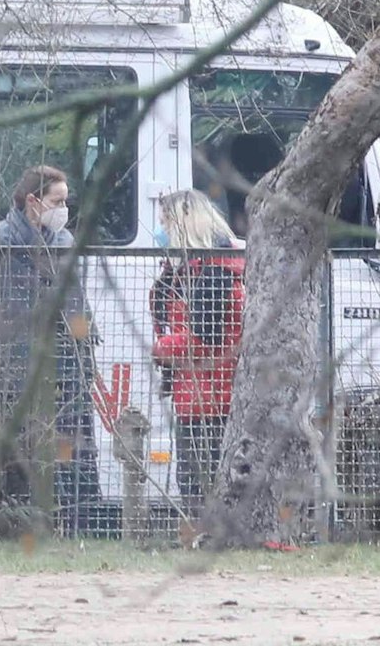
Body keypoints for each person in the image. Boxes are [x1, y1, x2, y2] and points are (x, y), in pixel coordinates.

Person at [0, 164, 102, 531]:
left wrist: (85, 357)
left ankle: (72, 527)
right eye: (58, 201)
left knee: (70, 455)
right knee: (17, 461)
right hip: (13, 376)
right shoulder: (2, 246)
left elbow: (77, 309)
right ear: (34, 201)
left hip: (63, 375)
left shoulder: (64, 247)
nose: (64, 209)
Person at [148, 189, 246, 515]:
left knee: (201, 479)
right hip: (199, 391)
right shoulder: (195, 269)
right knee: (196, 478)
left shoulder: (214, 271)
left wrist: (163, 348)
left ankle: (208, 538)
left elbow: (205, 337)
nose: (161, 231)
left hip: (212, 395)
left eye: (165, 222)